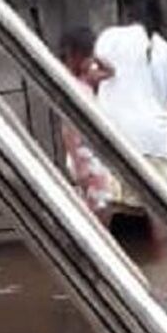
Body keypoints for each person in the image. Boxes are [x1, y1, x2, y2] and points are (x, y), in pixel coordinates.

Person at [96, 0, 167, 238]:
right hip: (152, 139)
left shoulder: (109, 38)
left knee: (104, 204)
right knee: (158, 210)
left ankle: (101, 262)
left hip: (112, 134)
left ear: (125, 13)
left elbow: (92, 75)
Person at [56, 26, 116, 223]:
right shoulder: (70, 84)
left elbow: (110, 71)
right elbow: (68, 128)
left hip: (91, 154)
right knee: (98, 209)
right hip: (83, 156)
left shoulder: (85, 79)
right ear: (75, 55)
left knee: (102, 204)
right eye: (86, 55)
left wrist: (94, 57)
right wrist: (79, 163)